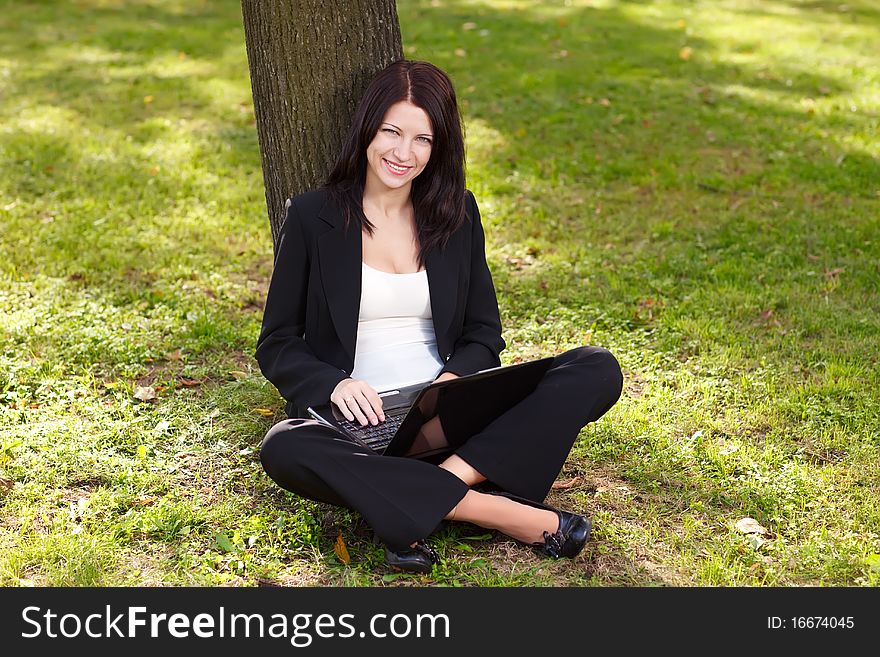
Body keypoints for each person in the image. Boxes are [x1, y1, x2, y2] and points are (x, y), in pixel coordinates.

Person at [256, 60, 623, 573]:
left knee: (595, 367)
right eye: (391, 132)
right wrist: (334, 383)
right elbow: (276, 341)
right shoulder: (313, 217)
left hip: (448, 414)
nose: (403, 154)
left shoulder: (457, 213)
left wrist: (453, 382)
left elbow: (482, 333)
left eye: (422, 140)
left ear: (439, 146)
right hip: (361, 424)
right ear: (367, 128)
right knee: (284, 446)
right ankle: (491, 509)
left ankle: (420, 498)